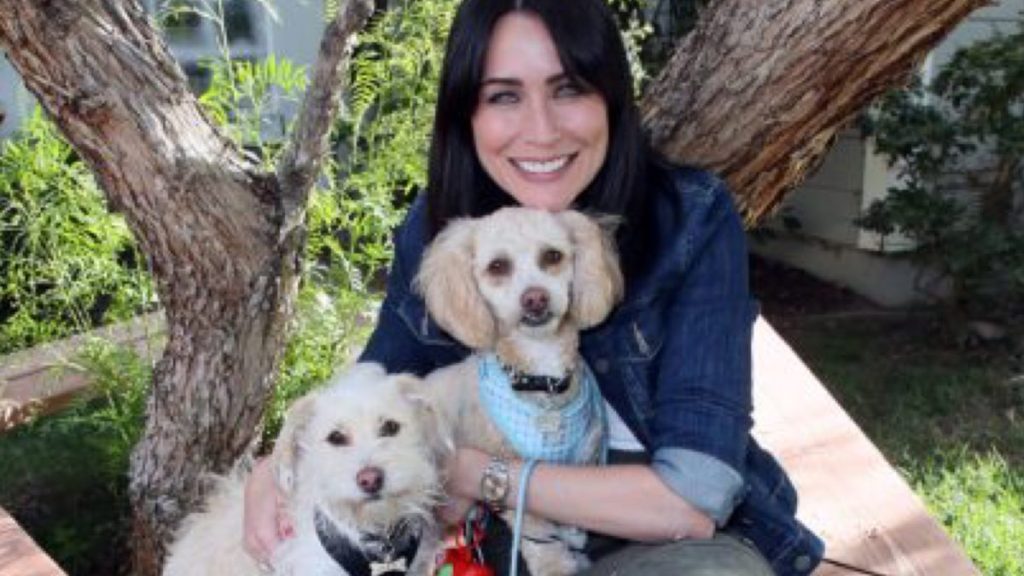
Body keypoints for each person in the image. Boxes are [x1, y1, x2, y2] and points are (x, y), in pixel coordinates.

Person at [244, 0, 824, 574]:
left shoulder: (689, 219)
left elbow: (696, 495)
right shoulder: (441, 232)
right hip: (503, 539)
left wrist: (480, 473)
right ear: (466, 114)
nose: (541, 131)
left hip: (671, 547)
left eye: (568, 88)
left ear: (610, 99)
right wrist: (276, 467)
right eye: (504, 96)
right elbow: (374, 381)